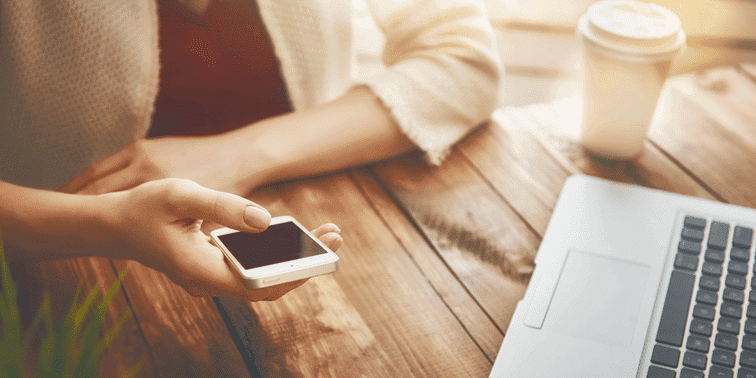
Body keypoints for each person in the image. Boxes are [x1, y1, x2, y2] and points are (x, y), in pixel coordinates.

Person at [0, 0, 501, 301]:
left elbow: (462, 59)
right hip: (55, 275)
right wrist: (105, 223)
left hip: (301, 221)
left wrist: (239, 155)